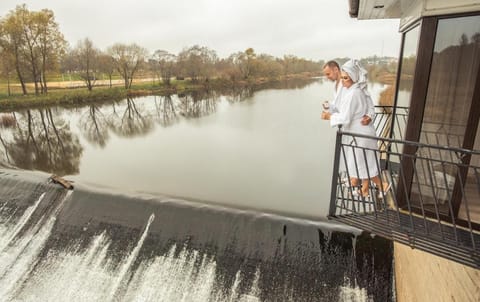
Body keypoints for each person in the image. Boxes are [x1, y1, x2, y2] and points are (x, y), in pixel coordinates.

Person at [321, 59, 388, 198]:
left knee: (366, 164)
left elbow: (346, 117)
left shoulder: (354, 93)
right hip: (359, 133)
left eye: (346, 78)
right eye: (342, 78)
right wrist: (330, 107)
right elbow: (342, 108)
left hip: (361, 133)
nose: (343, 81)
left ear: (353, 77)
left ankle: (383, 185)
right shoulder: (353, 90)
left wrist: (329, 117)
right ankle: (364, 189)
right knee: (363, 162)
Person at [322, 61, 373, 125]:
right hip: (346, 125)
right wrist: (329, 106)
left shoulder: (351, 83)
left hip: (358, 124)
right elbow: (340, 107)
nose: (327, 77)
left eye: (328, 74)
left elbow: (367, 99)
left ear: (335, 69)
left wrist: (370, 115)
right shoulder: (336, 85)